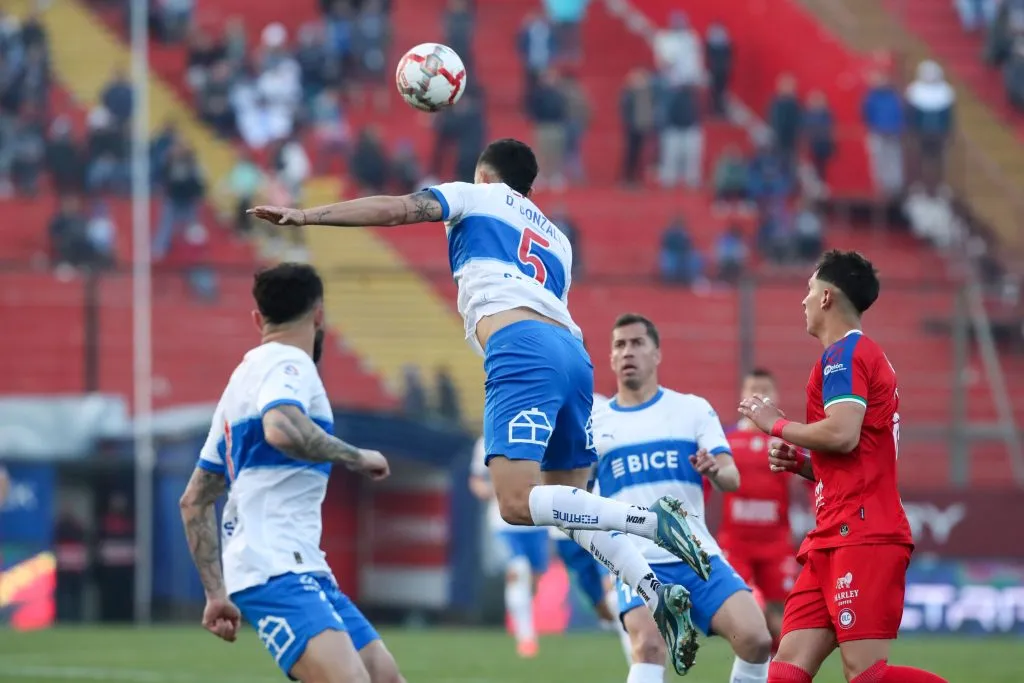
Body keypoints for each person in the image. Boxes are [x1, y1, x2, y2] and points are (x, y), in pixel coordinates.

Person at [248, 138, 712, 668]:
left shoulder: (478, 195)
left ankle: (655, 523)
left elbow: (399, 208)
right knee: (572, 510)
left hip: (520, 347)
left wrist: (306, 216)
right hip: (573, 354)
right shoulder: (557, 238)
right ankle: (656, 591)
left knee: (515, 503)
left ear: (484, 174)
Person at [178, 263, 405, 683]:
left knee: (384, 678)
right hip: (273, 565)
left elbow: (194, 499)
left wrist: (215, 595)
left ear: (257, 319)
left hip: (302, 565)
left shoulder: (240, 383)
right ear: (319, 314)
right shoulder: (290, 363)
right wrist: (355, 456)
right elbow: (281, 427)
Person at [738, 250, 948, 683]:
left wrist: (775, 424)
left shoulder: (845, 355)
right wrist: (801, 463)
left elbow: (843, 433)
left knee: (866, 676)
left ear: (828, 297)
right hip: (832, 535)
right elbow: (853, 454)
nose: (803, 301)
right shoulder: (856, 356)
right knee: (785, 673)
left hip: (863, 533)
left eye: (809, 290)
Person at [593, 313, 772, 680]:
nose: (628, 351)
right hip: (635, 561)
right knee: (649, 646)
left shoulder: (691, 409)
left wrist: (714, 471)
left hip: (696, 557)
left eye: (637, 343)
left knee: (756, 639)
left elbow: (731, 478)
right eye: (619, 345)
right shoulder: (595, 423)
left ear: (657, 354)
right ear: (611, 358)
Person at [717, 368, 804, 653]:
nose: (759, 395)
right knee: (749, 611)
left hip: (775, 544)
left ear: (776, 396)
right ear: (742, 396)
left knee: (784, 620)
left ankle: (778, 671)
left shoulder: (786, 440)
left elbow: (810, 482)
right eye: (753, 388)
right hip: (736, 543)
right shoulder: (726, 441)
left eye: (765, 389)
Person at [469, 434, 551, 658]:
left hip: (538, 521)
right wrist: (487, 491)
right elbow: (476, 479)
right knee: (518, 570)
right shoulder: (487, 439)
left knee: (533, 581)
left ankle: (524, 622)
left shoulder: (540, 432)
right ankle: (526, 639)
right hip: (504, 522)